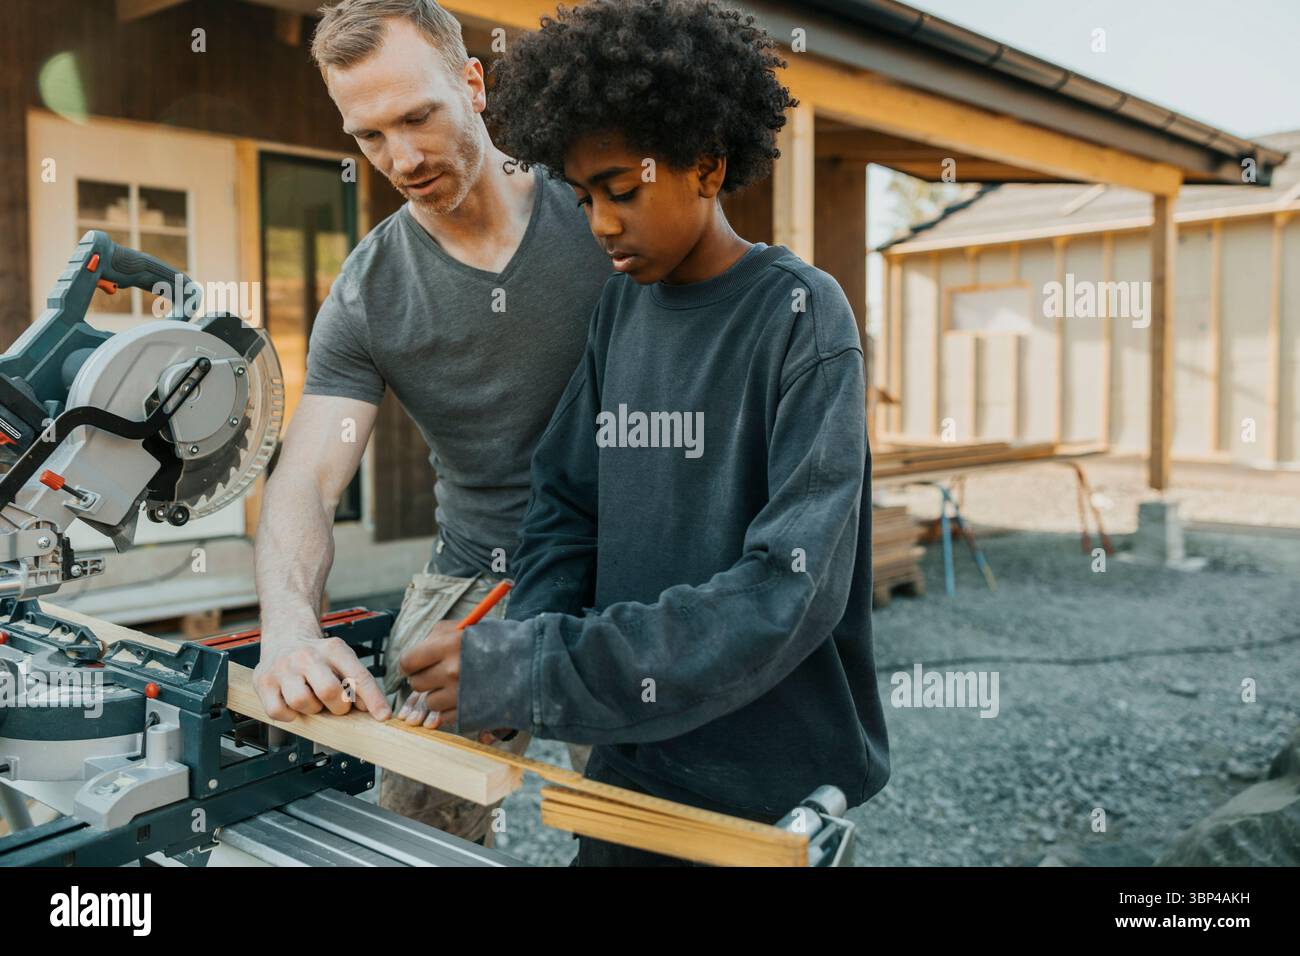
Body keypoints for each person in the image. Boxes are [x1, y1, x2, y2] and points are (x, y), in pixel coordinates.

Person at [395, 0, 890, 865]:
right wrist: (523, 652)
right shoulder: (621, 310)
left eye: (622, 189)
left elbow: (788, 589)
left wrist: (545, 666)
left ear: (706, 165)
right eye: (584, 197)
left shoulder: (802, 318)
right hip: (636, 754)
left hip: (765, 785)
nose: (600, 224)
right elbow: (564, 506)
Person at [251, 0, 604, 847]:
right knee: (413, 833)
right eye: (370, 137)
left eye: (419, 117)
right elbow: (308, 475)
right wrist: (290, 629)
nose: (402, 158)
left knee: (651, 826)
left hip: (629, 570)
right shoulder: (371, 291)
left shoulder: (602, 215)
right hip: (475, 579)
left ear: (472, 85)